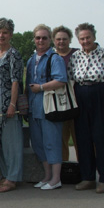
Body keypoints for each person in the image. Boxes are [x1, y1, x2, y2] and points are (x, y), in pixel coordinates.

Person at [68, 23, 104, 194]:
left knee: (102, 139)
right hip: (81, 96)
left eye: (88, 38)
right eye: (82, 39)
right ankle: (88, 177)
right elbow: (70, 80)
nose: (85, 41)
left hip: (101, 95)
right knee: (83, 139)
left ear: (94, 37)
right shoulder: (75, 57)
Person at [26, 24, 67, 190]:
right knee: (38, 143)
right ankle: (47, 176)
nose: (40, 40)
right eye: (37, 38)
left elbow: (61, 80)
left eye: (44, 37)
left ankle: (56, 178)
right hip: (33, 108)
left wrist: (41, 87)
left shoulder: (55, 59)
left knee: (52, 142)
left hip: (49, 108)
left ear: (50, 39)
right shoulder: (31, 59)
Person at [0, 18, 24, 193]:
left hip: (8, 107)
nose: (1, 35)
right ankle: (5, 174)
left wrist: (12, 104)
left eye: (4, 32)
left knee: (12, 144)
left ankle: (12, 178)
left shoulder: (13, 54)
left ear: (10, 34)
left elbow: (16, 81)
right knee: (0, 144)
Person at [52, 25, 79, 162]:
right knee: (61, 140)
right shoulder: (51, 56)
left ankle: (84, 172)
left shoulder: (77, 55)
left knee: (79, 138)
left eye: (64, 39)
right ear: (54, 40)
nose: (61, 42)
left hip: (77, 102)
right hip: (59, 104)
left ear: (69, 40)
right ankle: (64, 169)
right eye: (58, 39)